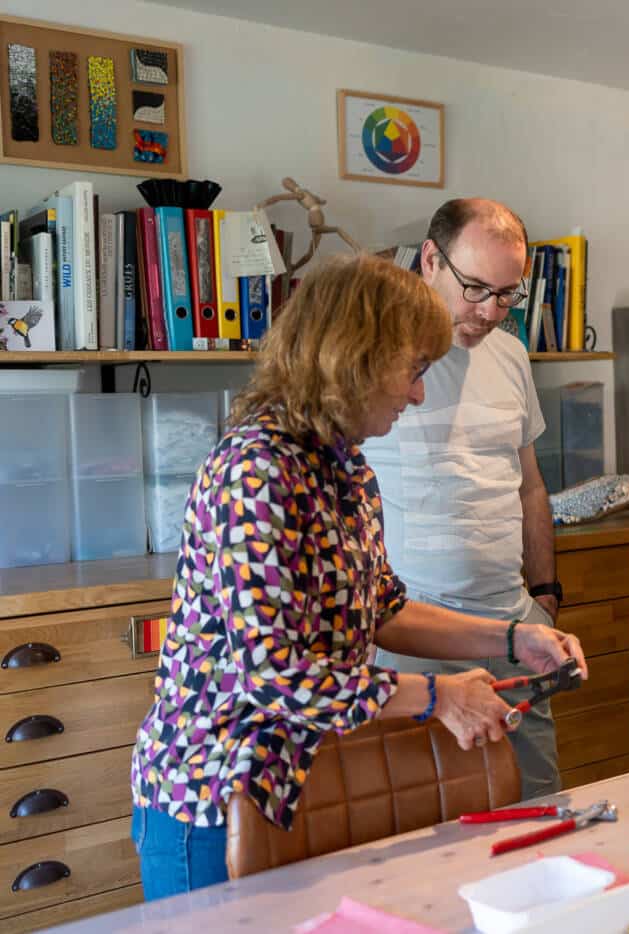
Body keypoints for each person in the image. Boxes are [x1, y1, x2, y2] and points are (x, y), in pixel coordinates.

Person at [130, 255, 587, 899]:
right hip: (210, 796)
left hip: (298, 782)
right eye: (415, 371)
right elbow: (273, 674)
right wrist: (440, 697)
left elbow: (385, 611)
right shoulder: (257, 473)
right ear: (357, 359)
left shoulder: (346, 471)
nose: (419, 393)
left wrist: (514, 639)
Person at [360, 199, 567, 799]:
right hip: (412, 635)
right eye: (475, 288)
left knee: (538, 804)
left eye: (506, 295)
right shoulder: (372, 361)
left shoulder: (510, 354)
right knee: (423, 824)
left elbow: (529, 484)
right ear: (431, 259)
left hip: (511, 626)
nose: (488, 311)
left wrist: (546, 595)